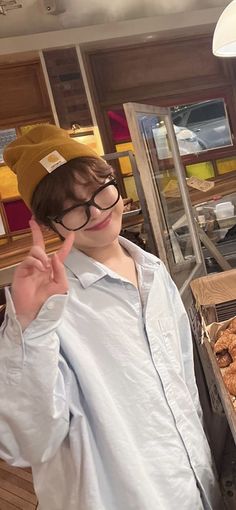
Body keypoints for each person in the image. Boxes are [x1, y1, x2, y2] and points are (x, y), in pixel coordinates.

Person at [0, 124, 222, 510]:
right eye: (72, 207)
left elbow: (182, 385)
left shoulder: (152, 270)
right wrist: (29, 327)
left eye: (100, 190)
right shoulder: (48, 310)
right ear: (50, 223)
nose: (97, 212)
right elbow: (26, 443)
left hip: (191, 487)